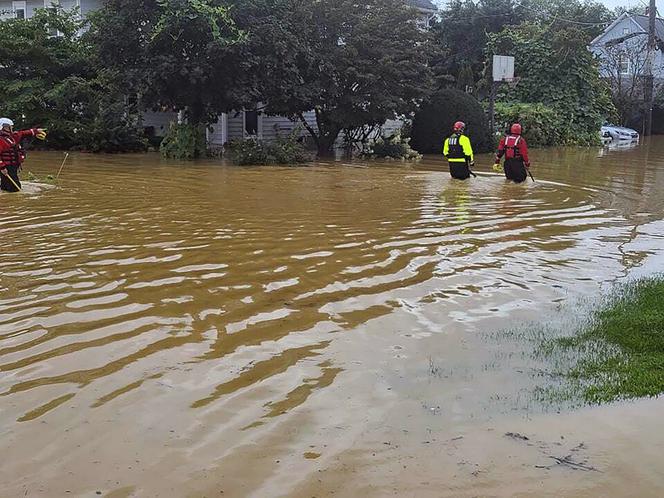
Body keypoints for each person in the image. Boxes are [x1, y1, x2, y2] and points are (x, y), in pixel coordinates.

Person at [0, 117, 47, 192]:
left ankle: (5, 196)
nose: (12, 128)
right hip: (6, 166)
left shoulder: (12, 136)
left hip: (12, 165)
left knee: (5, 184)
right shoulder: (1, 140)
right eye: (10, 127)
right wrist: (2, 168)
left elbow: (23, 133)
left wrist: (36, 131)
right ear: (4, 127)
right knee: (15, 188)